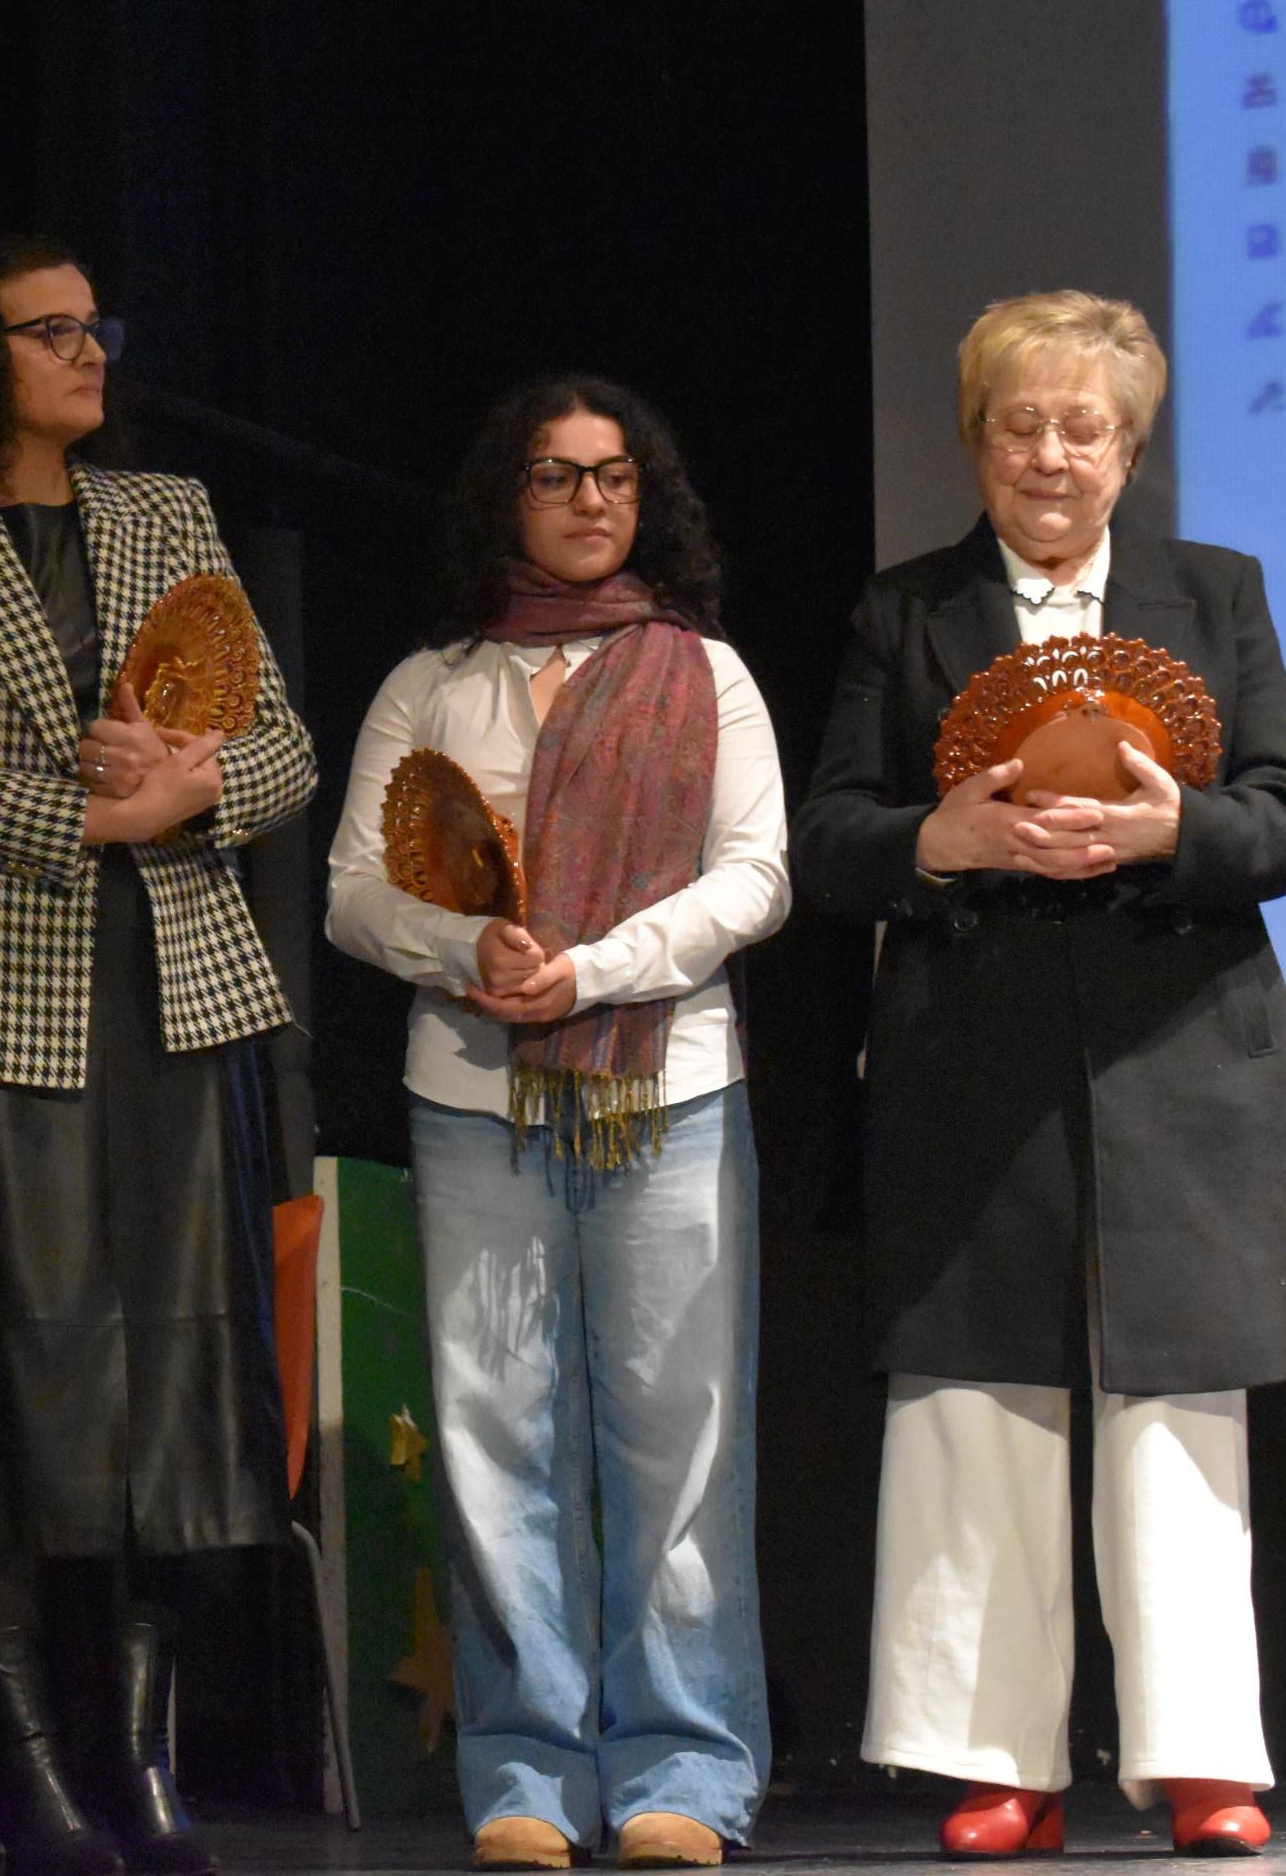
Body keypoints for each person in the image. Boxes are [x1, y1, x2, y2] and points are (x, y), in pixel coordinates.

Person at [790, 290, 1286, 1859]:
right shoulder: (904, 615)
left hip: (1182, 1061)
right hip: (972, 1064)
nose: (1049, 454)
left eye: (1081, 426)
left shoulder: (1211, 593)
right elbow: (827, 839)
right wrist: (940, 841)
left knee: (1179, 1415)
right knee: (983, 1407)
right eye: (1019, 425)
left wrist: (1179, 830)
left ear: (1131, 448)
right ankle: (995, 1759)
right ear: (977, 441)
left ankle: (1196, 1760)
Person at [0, 237, 319, 1876]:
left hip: (179, 990)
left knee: (173, 1385)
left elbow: (284, 746)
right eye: (50, 332)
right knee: (32, 1379)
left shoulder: (166, 510)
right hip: (4, 991)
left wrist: (191, 795)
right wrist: (98, 812)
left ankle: (143, 1761)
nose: (88, 351)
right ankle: (25, 1766)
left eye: (96, 324)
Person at [326, 377, 785, 1870]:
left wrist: (587, 971)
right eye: (554, 475)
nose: (590, 501)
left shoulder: (704, 676)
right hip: (471, 1095)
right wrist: (472, 956)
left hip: (669, 1089)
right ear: (503, 500)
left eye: (614, 477)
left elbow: (755, 879)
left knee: (676, 1440)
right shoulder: (433, 682)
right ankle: (524, 1777)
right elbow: (353, 891)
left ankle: (684, 1774)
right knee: (494, 1438)